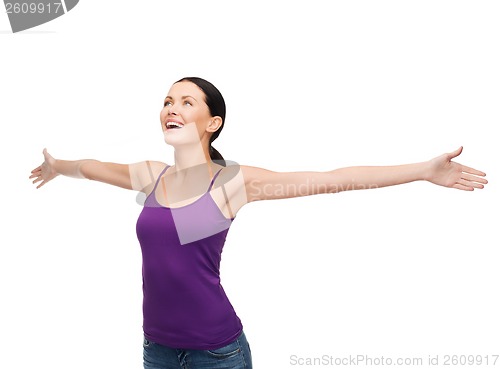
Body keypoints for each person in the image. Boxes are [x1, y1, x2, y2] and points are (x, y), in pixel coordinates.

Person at [29, 77, 488, 369]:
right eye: (167, 100)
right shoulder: (152, 175)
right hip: (157, 349)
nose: (171, 107)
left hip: (217, 352)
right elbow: (89, 166)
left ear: (212, 122)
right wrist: (56, 166)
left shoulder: (233, 184)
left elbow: (334, 180)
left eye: (186, 102)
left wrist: (424, 171)